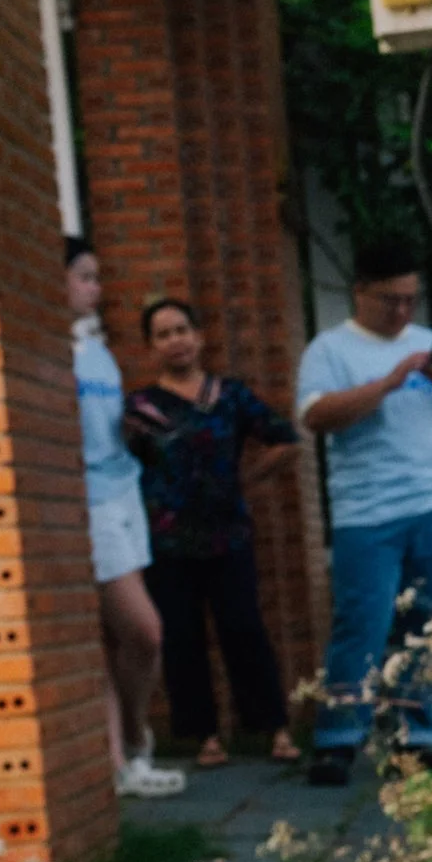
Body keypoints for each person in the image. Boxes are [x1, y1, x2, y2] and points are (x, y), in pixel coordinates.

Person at [296, 241, 432, 786]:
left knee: (430, 623)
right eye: (389, 301)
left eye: (410, 300)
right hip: (366, 511)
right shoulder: (329, 350)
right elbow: (318, 417)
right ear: (359, 292)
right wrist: (388, 381)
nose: (402, 312)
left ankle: (418, 738)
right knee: (363, 624)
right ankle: (338, 739)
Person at [124, 300, 304, 769]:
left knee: (244, 628)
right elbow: (123, 466)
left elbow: (286, 440)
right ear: (151, 347)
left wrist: (247, 479)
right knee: (182, 637)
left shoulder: (230, 395)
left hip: (229, 535)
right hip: (168, 541)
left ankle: (274, 730)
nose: (175, 340)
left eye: (182, 329)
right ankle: (204, 738)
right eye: (163, 334)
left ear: (200, 335)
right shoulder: (140, 409)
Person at [67, 238, 183, 799]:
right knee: (143, 631)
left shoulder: (97, 351)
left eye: (96, 277)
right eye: (84, 278)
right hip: (87, 503)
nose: (96, 289)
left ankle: (124, 761)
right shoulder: (52, 350)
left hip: (123, 492)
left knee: (122, 640)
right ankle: (134, 744)